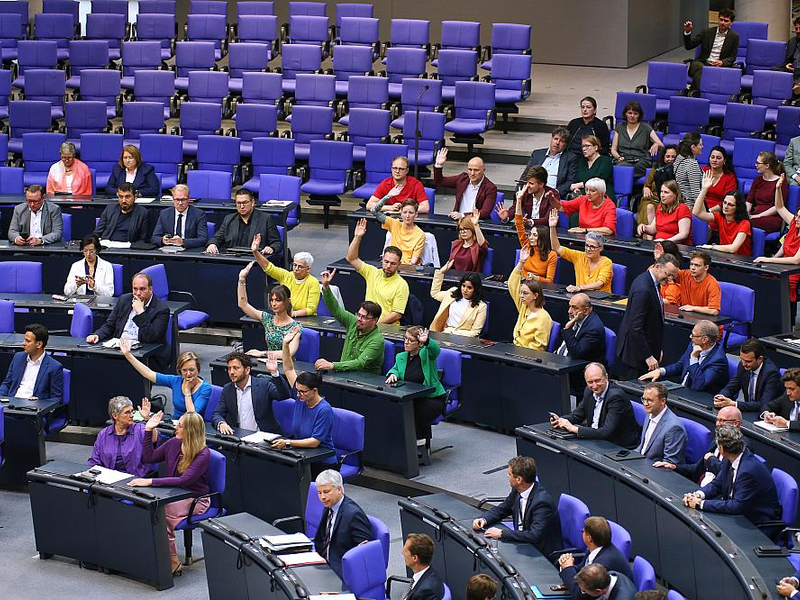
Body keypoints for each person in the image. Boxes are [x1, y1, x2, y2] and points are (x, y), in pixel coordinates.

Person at [129, 410, 210, 575]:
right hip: (173, 494)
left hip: (195, 499)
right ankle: (155, 555)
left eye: (180, 426)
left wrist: (150, 482)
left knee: (160, 513)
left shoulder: (203, 454)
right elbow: (149, 457)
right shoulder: (174, 443)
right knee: (146, 507)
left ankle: (172, 560)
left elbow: (184, 481)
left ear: (190, 431)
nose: (176, 429)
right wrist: (148, 430)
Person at [683, 425, 782, 528]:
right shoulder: (731, 458)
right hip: (740, 515)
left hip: (757, 523)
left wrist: (701, 504)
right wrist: (698, 495)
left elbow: (737, 506)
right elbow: (717, 485)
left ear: (721, 448)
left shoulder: (747, 471)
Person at [274, 328, 338, 475]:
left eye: (302, 392)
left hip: (322, 463)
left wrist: (288, 443)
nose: (298, 394)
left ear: (314, 390)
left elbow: (315, 442)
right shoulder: (300, 396)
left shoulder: (324, 409)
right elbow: (289, 368)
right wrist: (285, 345)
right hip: (301, 455)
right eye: (297, 391)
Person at [471, 456, 562, 557]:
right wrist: (484, 519)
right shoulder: (517, 491)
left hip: (540, 553)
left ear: (519, 479)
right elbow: (502, 509)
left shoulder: (542, 503)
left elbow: (534, 535)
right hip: (522, 543)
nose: (507, 476)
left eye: (509, 474)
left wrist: (502, 533)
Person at [86, 272, 170, 370]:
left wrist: (140, 313)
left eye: (142, 289)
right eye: (135, 289)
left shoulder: (161, 309)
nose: (138, 293)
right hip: (119, 348)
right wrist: (97, 335)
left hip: (144, 353)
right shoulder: (124, 300)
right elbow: (110, 325)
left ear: (150, 290)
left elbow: (151, 338)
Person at [386, 326, 447, 460]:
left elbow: (435, 351)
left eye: (411, 340)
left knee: (412, 412)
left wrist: (427, 341)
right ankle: (404, 445)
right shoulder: (401, 356)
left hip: (433, 399)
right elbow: (395, 369)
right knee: (398, 409)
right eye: (405, 339)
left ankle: (420, 446)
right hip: (412, 397)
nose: (406, 342)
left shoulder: (426, 354)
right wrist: (392, 374)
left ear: (419, 343)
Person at [616, 254, 681, 378]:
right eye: (668, 274)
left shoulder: (649, 281)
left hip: (645, 349)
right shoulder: (644, 289)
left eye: (673, 276)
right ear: (657, 266)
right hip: (637, 357)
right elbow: (635, 327)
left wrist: (656, 349)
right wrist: (648, 356)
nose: (670, 279)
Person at [550, 363, 640, 448]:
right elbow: (577, 415)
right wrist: (561, 420)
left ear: (606, 377)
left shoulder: (616, 397)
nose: (594, 385)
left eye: (597, 380)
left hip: (617, 445)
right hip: (597, 439)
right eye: (590, 382)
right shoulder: (589, 391)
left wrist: (574, 428)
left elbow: (606, 432)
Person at [315, 269, 385, 374]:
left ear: (375, 321)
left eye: (365, 317)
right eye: (359, 315)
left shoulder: (377, 340)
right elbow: (336, 310)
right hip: (344, 375)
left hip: (364, 383)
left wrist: (332, 365)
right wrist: (326, 287)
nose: (359, 319)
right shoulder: (353, 322)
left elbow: (360, 363)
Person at [120, 338, 211, 418]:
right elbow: (148, 374)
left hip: (193, 428)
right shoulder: (176, 381)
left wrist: (187, 392)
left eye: (192, 370)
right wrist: (128, 355)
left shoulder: (205, 388)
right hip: (175, 425)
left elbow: (192, 416)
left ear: (198, 370)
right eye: (184, 370)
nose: (188, 374)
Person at [753, 175, 800, 322]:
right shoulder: (794, 224)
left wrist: (769, 259)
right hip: (782, 266)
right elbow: (779, 207)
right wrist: (778, 188)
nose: (796, 219)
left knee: (782, 284)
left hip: (795, 272)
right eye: (797, 216)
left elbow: (796, 260)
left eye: (799, 217)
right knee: (763, 278)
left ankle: (787, 323)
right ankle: (767, 321)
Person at [656, 406, 743, 483]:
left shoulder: (741, 446)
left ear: (735, 424)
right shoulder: (716, 441)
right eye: (717, 420)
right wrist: (675, 467)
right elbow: (697, 468)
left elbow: (728, 475)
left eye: (722, 421)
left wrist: (711, 460)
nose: (717, 424)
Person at [639, 320, 728, 394]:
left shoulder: (718, 360)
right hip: (682, 389)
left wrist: (693, 358)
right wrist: (660, 371)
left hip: (699, 398)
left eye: (693, 335)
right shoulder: (694, 344)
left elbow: (699, 385)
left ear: (704, 339)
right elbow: (680, 366)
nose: (690, 337)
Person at [347, 218, 409, 324]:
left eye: (393, 263)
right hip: (366, 324)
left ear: (399, 264)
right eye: (386, 261)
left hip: (385, 328)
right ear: (382, 260)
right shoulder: (372, 272)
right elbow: (351, 258)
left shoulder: (401, 285)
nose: (388, 266)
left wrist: (374, 325)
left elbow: (396, 314)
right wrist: (358, 237)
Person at [237, 257, 302, 356]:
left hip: (286, 366)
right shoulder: (267, 319)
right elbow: (243, 304)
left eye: (278, 300)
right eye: (271, 300)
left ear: (287, 301)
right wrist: (242, 279)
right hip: (268, 363)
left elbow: (289, 353)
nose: (273, 304)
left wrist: (262, 353)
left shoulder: (295, 327)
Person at [313, 469, 372, 578]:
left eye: (326, 492)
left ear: (339, 489)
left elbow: (365, 552)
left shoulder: (353, 514)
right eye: (319, 493)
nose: (322, 497)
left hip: (342, 571)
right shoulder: (329, 505)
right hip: (324, 561)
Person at [212, 351, 288, 434]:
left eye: (236, 368)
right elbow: (217, 413)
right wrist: (221, 423)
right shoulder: (228, 389)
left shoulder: (263, 385)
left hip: (264, 437)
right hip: (239, 437)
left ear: (247, 370)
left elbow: (283, 395)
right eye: (229, 369)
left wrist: (275, 373)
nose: (231, 372)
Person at [557, 516, 633, 596]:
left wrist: (567, 568)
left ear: (589, 538)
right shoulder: (594, 549)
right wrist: (567, 564)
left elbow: (580, 594)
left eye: (583, 531)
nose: (582, 533)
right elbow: (581, 571)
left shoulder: (602, 565)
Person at [88, 396, 158, 477]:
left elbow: (154, 439)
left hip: (136, 479)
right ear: (115, 416)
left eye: (132, 411)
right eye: (127, 412)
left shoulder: (139, 429)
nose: (131, 415)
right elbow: (95, 461)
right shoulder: (103, 434)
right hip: (109, 479)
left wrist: (147, 419)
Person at [552, 296, 606, 393]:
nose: (569, 311)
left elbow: (576, 353)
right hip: (563, 363)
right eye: (569, 306)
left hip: (579, 373)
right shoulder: (578, 319)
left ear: (585, 311)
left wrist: (568, 329)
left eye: (574, 308)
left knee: (539, 374)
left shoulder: (593, 328)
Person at [206, 188, 283, 255]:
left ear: (252, 202)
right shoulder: (229, 219)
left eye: (245, 203)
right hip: (233, 259)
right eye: (239, 203)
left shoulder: (266, 219)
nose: (242, 206)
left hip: (256, 260)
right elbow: (217, 237)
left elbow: (277, 243)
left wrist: (271, 248)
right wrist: (212, 244)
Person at [715, 339, 784, 411]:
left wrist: (735, 404)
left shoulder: (771, 373)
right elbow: (731, 387)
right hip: (748, 409)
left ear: (760, 359)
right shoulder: (743, 366)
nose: (744, 364)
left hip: (765, 414)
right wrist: (721, 397)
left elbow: (764, 404)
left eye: (748, 361)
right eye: (742, 359)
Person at [0, 323, 63, 403]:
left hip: (31, 410)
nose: (23, 343)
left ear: (39, 344)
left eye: (28, 341)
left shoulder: (54, 367)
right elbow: (7, 384)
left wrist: (39, 402)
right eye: (24, 339)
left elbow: (56, 398)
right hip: (11, 404)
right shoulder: (18, 357)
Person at [252, 244, 320, 317]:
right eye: (294, 265)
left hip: (305, 320)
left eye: (300, 267)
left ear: (308, 269)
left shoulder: (313, 282)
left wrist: (293, 314)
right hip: (285, 317)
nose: (296, 269)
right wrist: (255, 252)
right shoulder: (286, 275)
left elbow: (311, 309)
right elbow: (268, 267)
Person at [694, 172, 752, 255]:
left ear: (738, 207)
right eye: (724, 203)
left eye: (730, 205)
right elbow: (697, 213)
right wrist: (704, 189)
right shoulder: (720, 216)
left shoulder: (745, 223)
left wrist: (711, 247)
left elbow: (733, 248)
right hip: (723, 256)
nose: (725, 206)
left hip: (740, 261)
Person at [683, 8, 740, 90]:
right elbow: (689, 46)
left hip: (719, 66)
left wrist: (722, 62)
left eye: (726, 21)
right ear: (718, 19)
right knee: (701, 69)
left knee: (706, 73)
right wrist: (687, 32)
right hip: (702, 63)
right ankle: (700, 93)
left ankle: (695, 93)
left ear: (731, 23)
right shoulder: (706, 32)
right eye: (721, 20)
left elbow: (732, 57)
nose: (722, 23)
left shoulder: (734, 37)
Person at [508, 247, 552, 351]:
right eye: (521, 292)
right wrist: (521, 262)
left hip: (526, 356)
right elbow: (512, 284)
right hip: (514, 349)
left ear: (535, 296)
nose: (521, 296)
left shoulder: (544, 318)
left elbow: (539, 347)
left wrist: (518, 353)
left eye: (525, 293)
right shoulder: (524, 306)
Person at [434, 148, 498, 220]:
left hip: (476, 224)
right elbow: (440, 181)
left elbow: (485, 212)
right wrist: (438, 166)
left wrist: (463, 215)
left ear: (484, 170)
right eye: (470, 169)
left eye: (476, 170)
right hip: (458, 222)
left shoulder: (490, 188)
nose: (472, 173)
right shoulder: (462, 179)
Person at [429, 261, 487, 337]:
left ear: (475, 289)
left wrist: (453, 332)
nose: (465, 290)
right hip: (444, 334)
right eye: (463, 286)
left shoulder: (481, 306)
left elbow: (475, 332)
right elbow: (434, 293)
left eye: (469, 288)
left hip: (465, 339)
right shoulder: (452, 293)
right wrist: (440, 273)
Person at [636, 382, 687, 465]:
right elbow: (643, 447)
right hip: (641, 461)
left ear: (662, 401)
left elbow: (669, 463)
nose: (645, 404)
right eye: (644, 399)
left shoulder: (674, 427)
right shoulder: (649, 413)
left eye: (649, 400)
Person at [610, 100, 663, 179]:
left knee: (623, 170)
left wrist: (656, 144)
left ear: (639, 115)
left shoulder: (646, 128)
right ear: (625, 114)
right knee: (622, 167)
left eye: (635, 113)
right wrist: (618, 157)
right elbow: (613, 149)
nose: (632, 116)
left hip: (641, 161)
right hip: (624, 160)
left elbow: (662, 146)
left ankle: (623, 178)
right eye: (630, 113)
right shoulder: (620, 127)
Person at [523, 126, 577, 198]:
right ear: (551, 139)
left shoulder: (570, 158)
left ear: (565, 145)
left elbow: (570, 181)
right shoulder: (537, 154)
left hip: (552, 196)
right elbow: (526, 173)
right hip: (533, 192)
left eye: (561, 141)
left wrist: (556, 192)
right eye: (555, 139)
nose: (557, 143)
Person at [662, 251, 721, 316]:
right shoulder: (685, 274)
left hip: (705, 322)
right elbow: (671, 270)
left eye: (697, 265)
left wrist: (693, 308)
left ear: (706, 267)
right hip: (687, 317)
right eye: (691, 264)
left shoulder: (712, 284)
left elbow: (714, 311)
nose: (692, 268)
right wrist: (660, 259)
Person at [151, 184, 209, 249]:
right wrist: (163, 240)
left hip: (189, 251)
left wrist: (183, 242)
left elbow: (203, 239)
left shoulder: (199, 214)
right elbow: (154, 238)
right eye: (177, 200)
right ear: (173, 200)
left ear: (188, 200)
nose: (180, 203)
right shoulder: (164, 214)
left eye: (183, 199)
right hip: (168, 251)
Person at [373, 198, 426, 265]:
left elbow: (414, 260)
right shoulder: (394, 224)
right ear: (401, 213)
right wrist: (388, 196)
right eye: (404, 212)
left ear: (416, 214)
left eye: (411, 213)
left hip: (407, 267)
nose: (407, 216)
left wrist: (405, 268)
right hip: (391, 263)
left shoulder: (421, 235)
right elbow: (374, 210)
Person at [514, 200, 557, 282]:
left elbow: (549, 281)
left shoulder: (552, 255)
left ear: (543, 238)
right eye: (530, 234)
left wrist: (535, 278)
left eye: (535, 235)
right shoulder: (527, 246)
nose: (530, 238)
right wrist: (519, 200)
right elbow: (519, 224)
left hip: (538, 287)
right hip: (522, 283)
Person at [636, 145, 678, 227]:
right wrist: (646, 188)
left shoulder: (679, 170)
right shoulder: (656, 169)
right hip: (652, 199)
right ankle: (647, 233)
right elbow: (647, 185)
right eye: (668, 156)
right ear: (663, 157)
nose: (670, 159)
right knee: (648, 207)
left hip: (670, 202)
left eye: (673, 157)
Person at [748, 150, 787, 234]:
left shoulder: (781, 182)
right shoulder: (757, 180)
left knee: (747, 223)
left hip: (772, 217)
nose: (756, 165)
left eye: (758, 163)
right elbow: (749, 201)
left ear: (767, 166)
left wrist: (757, 216)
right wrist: (745, 214)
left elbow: (777, 207)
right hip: (755, 214)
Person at [401, 533, 446, 600]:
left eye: (405, 551)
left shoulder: (426, 592)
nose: (402, 552)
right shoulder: (430, 572)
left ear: (415, 558)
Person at [569, 137, 615, 201]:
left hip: (601, 196)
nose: (584, 149)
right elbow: (577, 179)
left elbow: (599, 181)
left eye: (587, 146)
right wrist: (576, 189)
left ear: (596, 147)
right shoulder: (582, 162)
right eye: (582, 146)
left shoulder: (605, 161)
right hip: (583, 197)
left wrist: (579, 185)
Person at [700, 146, 737, 211]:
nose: (714, 160)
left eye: (718, 158)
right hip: (700, 206)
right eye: (712, 157)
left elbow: (728, 200)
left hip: (719, 210)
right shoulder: (702, 171)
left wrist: (709, 211)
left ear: (724, 160)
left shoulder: (730, 177)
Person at [573, 564, 638, 600]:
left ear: (598, 591)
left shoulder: (623, 598)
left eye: (584, 591)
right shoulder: (611, 575)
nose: (583, 592)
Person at [673, 133, 704, 209]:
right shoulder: (692, 164)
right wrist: (704, 213)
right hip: (690, 207)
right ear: (693, 147)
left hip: (679, 205)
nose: (702, 147)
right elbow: (696, 195)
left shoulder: (678, 158)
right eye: (700, 145)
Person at [777, 17, 800, 95]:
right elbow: (787, 60)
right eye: (796, 29)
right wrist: (787, 65)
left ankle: (797, 85)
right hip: (793, 70)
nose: (798, 31)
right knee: (773, 70)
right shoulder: (792, 42)